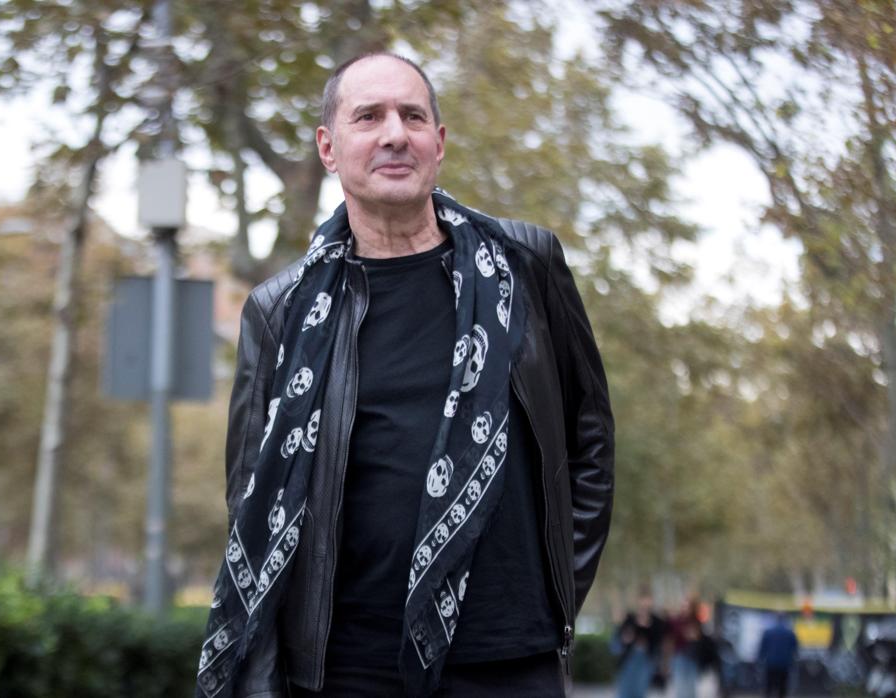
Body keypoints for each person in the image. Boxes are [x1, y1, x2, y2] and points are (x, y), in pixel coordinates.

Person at [196, 52, 614, 698]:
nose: (395, 133)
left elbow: (590, 445)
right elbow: (252, 497)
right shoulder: (280, 312)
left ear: (438, 144)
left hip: (510, 657)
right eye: (369, 116)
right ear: (329, 148)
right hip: (350, 667)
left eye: (412, 116)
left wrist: (557, 591)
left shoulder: (527, 264)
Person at [613, 590, 666, 698]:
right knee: (625, 690)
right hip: (630, 658)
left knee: (640, 690)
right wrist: (626, 638)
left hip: (646, 659)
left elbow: (659, 641)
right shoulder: (630, 618)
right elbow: (620, 636)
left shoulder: (656, 621)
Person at [667, 596, 705, 698]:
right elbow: (672, 638)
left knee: (691, 689)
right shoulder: (676, 621)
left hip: (692, 657)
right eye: (684, 605)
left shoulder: (696, 621)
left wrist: (692, 635)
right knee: (680, 688)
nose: (685, 608)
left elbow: (697, 637)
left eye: (687, 606)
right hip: (679, 656)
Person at [756, 613, 798, 698]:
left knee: (769, 688)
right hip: (785, 664)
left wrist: (759, 661)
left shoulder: (768, 632)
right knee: (782, 689)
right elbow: (795, 649)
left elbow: (762, 648)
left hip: (770, 664)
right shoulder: (790, 633)